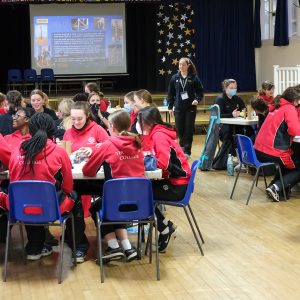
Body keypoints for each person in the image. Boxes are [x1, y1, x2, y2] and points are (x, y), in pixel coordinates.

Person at [7, 113, 86, 261]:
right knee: (74, 197)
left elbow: (13, 178)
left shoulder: (17, 149)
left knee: (30, 199)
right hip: (50, 208)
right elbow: (68, 186)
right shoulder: (59, 151)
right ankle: (78, 248)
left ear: (30, 129)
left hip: (20, 207)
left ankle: (34, 247)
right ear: (52, 130)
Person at [82, 110, 143, 262]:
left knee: (99, 206)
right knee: (112, 204)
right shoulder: (137, 142)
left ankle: (113, 246)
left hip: (117, 201)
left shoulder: (108, 144)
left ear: (111, 126)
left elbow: (88, 171)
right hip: (140, 203)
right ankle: (128, 247)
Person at [137, 106, 191, 253]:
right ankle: (166, 225)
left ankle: (164, 229)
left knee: (140, 197)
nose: (137, 124)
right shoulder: (157, 132)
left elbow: (164, 164)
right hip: (175, 180)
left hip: (177, 185)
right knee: (142, 193)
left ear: (146, 122)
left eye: (139, 121)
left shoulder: (159, 135)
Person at [254, 85, 300, 201]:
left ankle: (274, 186)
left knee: (291, 161)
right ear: (294, 99)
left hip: (258, 150)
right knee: (296, 165)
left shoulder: (276, 106)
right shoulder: (289, 108)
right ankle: (277, 187)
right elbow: (295, 130)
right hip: (274, 151)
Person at [166, 57, 204, 158]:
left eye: (183, 64)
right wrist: (170, 106)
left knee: (189, 129)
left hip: (190, 108)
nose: (181, 66)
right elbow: (170, 94)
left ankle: (187, 151)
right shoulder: (175, 78)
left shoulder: (193, 77)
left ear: (188, 65)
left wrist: (197, 99)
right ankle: (181, 147)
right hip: (178, 108)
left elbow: (200, 91)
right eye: (179, 64)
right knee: (179, 129)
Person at [212, 79, 251, 170]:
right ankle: (221, 162)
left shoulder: (237, 99)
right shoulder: (220, 99)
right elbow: (218, 115)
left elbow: (244, 110)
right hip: (222, 127)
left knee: (249, 131)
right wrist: (231, 115)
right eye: (231, 88)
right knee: (231, 135)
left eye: (235, 88)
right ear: (225, 88)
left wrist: (243, 113)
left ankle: (246, 159)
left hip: (237, 125)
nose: (234, 90)